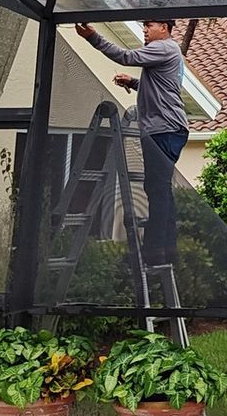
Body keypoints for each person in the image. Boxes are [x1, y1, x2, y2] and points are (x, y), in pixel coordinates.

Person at [74, 18, 187, 267]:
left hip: (163, 130)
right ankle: (166, 251)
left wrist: (93, 37)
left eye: (149, 25)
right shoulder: (171, 52)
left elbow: (125, 56)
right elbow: (164, 89)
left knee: (157, 191)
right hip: (169, 128)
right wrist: (134, 83)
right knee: (161, 190)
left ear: (164, 28)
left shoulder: (163, 47)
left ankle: (153, 253)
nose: (145, 29)